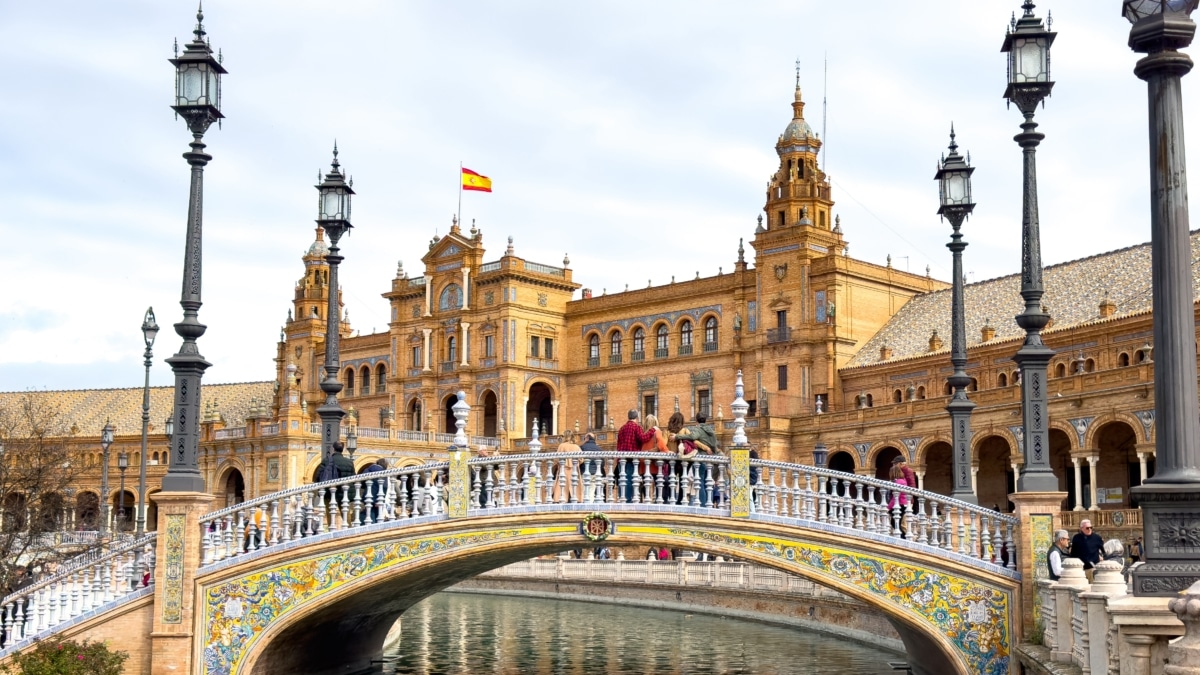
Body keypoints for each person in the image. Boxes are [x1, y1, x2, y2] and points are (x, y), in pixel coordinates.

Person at [674, 413, 719, 506]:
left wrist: (677, 436)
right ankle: (709, 504)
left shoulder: (699, 429)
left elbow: (692, 437)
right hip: (711, 460)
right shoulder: (711, 430)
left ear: (697, 421)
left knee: (701, 483)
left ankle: (703, 506)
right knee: (708, 483)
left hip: (701, 459)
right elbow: (715, 445)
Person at [616, 410, 657, 502]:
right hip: (631, 459)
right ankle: (628, 501)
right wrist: (653, 430)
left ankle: (621, 500)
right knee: (630, 480)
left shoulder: (622, 428)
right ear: (637, 418)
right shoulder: (636, 427)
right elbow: (643, 438)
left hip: (621, 459)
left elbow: (618, 444)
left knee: (622, 480)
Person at [552, 433, 582, 503]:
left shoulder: (561, 446)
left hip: (563, 468)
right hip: (574, 469)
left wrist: (561, 463)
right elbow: (581, 459)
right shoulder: (576, 447)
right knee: (575, 485)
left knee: (562, 486)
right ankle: (577, 499)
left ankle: (559, 500)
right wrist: (576, 463)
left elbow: (556, 458)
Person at [579, 432, 604, 501]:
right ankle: (590, 507)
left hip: (584, 472)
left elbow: (579, 460)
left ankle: (584, 508)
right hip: (595, 473)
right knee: (591, 491)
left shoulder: (582, 447)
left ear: (587, 438)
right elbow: (602, 463)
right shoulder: (599, 449)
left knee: (584, 491)